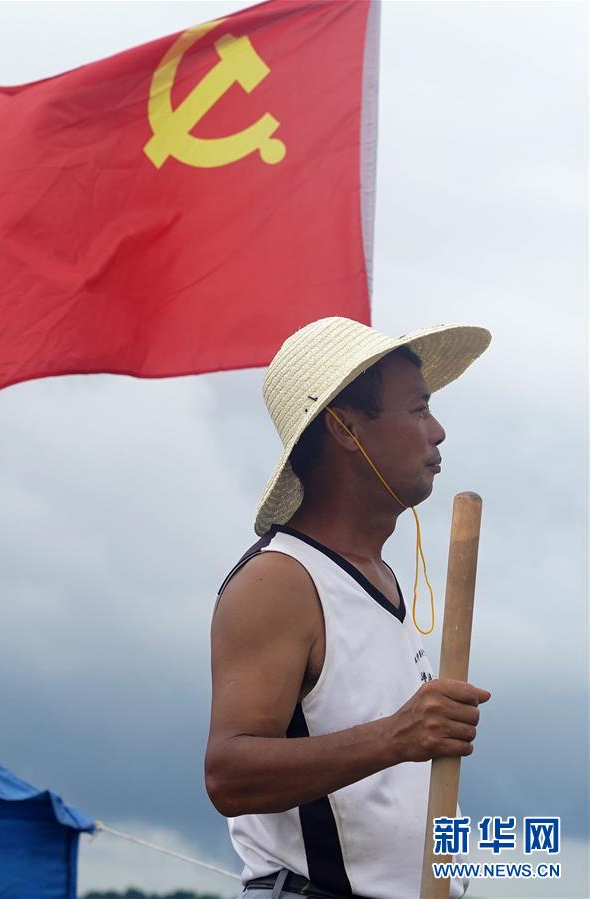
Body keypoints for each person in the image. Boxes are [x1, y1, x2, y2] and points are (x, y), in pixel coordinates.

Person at [205, 317, 492, 899]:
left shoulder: (378, 577)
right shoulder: (281, 580)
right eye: (418, 409)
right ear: (344, 428)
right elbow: (230, 776)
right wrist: (397, 735)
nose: (438, 431)